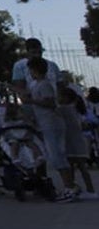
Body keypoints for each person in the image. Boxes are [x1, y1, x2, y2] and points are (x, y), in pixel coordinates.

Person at [26, 57, 77, 201]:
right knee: (56, 156)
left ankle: (69, 187)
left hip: (51, 123)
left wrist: (32, 101)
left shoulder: (45, 85)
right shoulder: (36, 85)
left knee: (57, 156)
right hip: (44, 123)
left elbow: (49, 103)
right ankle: (70, 185)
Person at [58, 81, 97, 199]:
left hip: (71, 141)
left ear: (66, 98)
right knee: (82, 167)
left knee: (72, 167)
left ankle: (73, 188)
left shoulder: (65, 109)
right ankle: (89, 190)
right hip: (78, 141)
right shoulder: (75, 109)